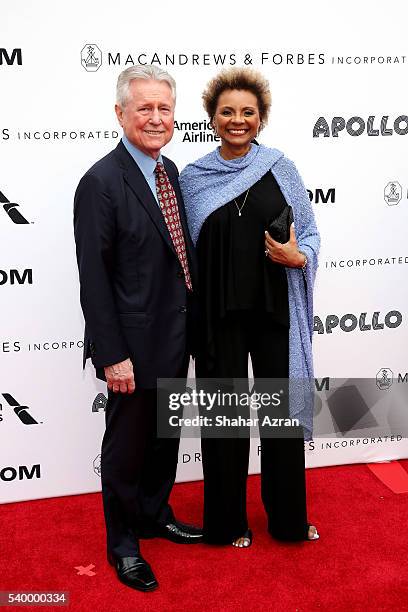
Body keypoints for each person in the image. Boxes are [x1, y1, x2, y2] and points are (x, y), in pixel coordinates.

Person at [74, 65, 202, 592]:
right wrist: (112, 354)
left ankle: (154, 515)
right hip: (130, 347)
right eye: (144, 108)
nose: (155, 118)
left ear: (175, 116)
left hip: (174, 340)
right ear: (120, 113)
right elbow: (94, 278)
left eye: (164, 109)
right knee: (125, 450)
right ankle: (123, 545)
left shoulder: (170, 171)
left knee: (162, 439)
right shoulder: (100, 182)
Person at [179, 67, 320, 548]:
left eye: (248, 112)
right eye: (227, 112)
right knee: (224, 423)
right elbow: (184, 253)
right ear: (212, 117)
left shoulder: (281, 168)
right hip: (218, 317)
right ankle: (226, 522)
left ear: (261, 119)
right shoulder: (193, 179)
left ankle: (288, 520)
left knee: (280, 421)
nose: (237, 120)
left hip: (274, 313)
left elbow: (312, 235)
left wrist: (296, 255)